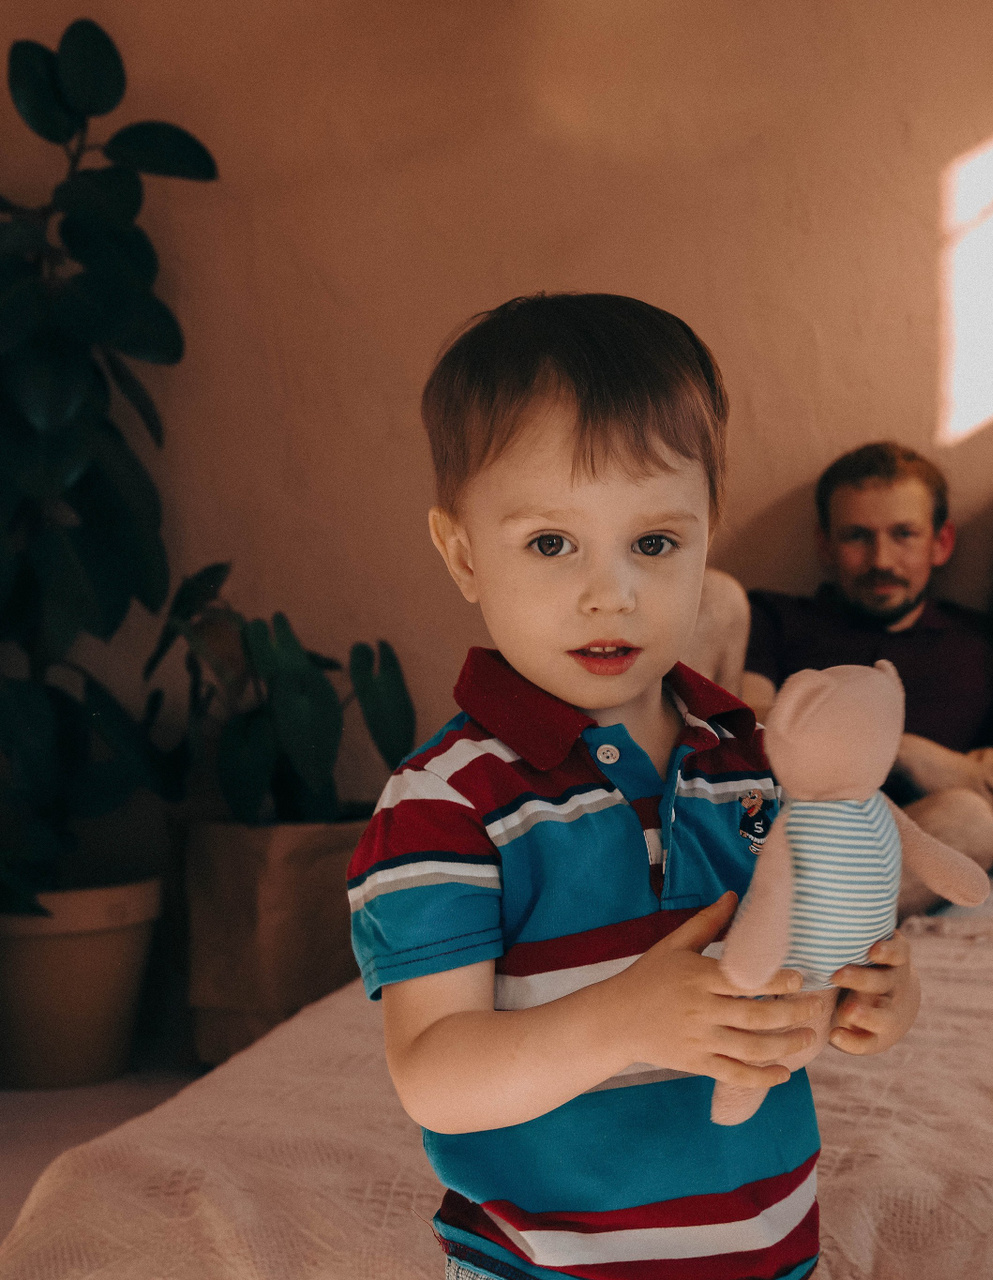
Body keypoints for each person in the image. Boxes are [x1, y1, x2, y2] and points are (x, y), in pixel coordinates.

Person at [347, 294, 918, 1280]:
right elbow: (433, 1074)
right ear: (463, 553)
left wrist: (872, 997)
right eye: (551, 543)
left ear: (705, 537)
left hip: (770, 1252)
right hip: (541, 1268)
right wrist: (625, 1019)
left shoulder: (757, 764)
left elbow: (802, 962)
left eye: (654, 543)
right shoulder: (446, 800)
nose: (610, 593)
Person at [740, 441, 993, 914]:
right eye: (857, 536)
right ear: (825, 544)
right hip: (774, 836)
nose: (881, 561)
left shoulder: (985, 646)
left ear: (942, 542)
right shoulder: (775, 618)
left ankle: (799, 926)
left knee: (971, 821)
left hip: (883, 850)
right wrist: (902, 751)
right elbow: (744, 726)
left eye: (904, 534)